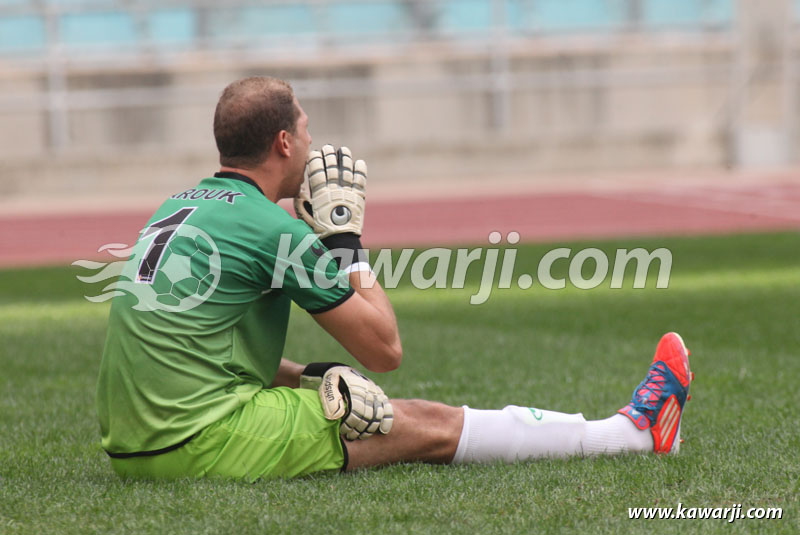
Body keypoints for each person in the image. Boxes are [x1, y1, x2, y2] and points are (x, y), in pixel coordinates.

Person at [96, 76, 693, 480]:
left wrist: (309, 376)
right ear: (282, 141)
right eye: (304, 129)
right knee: (423, 423)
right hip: (193, 443)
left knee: (374, 409)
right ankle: (629, 434)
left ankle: (625, 430)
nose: (311, 140)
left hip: (136, 444)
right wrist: (346, 241)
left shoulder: (179, 206)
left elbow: (189, 347)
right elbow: (383, 349)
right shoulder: (268, 229)